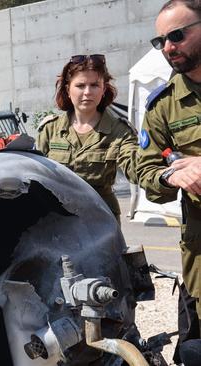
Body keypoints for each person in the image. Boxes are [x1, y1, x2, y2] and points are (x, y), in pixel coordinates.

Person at [136, 0, 201, 354]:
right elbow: (147, 169)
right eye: (160, 41)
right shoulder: (163, 105)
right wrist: (171, 177)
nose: (168, 47)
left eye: (176, 35)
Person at [37, 54, 138, 223]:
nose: (87, 92)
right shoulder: (50, 129)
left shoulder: (119, 130)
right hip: (57, 217)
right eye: (80, 85)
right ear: (68, 89)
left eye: (94, 85)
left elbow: (136, 167)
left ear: (104, 89)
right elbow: (35, 173)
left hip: (101, 218)